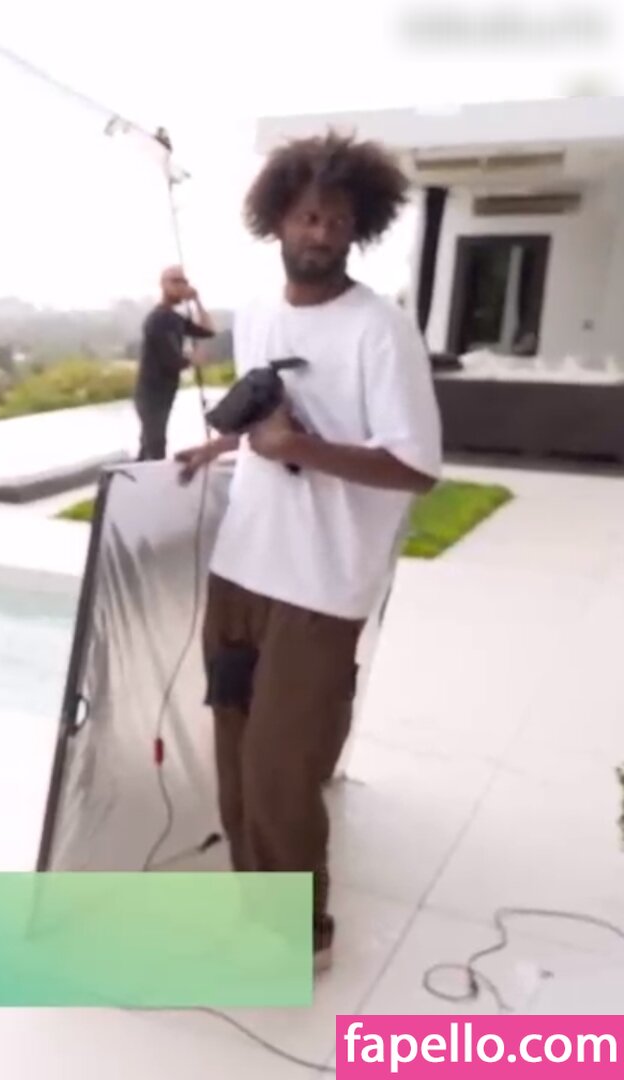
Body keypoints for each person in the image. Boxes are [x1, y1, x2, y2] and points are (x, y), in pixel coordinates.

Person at [175, 130, 441, 975]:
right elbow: (266, 412)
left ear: (359, 229)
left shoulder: (380, 331)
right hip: (241, 568)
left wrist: (300, 450)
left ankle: (302, 935)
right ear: (277, 220)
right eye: (306, 216)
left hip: (321, 588)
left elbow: (416, 468)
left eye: (337, 220)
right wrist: (222, 445)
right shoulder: (259, 314)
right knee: (233, 751)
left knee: (281, 770)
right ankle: (254, 911)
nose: (320, 232)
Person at [135, 265, 215, 460]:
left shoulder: (175, 318)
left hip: (166, 391)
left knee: (149, 444)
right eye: (175, 281)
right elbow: (170, 360)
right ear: (163, 285)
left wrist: (197, 301)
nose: (181, 286)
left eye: (184, 281)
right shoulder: (157, 319)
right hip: (151, 393)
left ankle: (138, 475)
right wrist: (192, 359)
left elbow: (209, 331)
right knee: (156, 444)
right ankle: (153, 477)